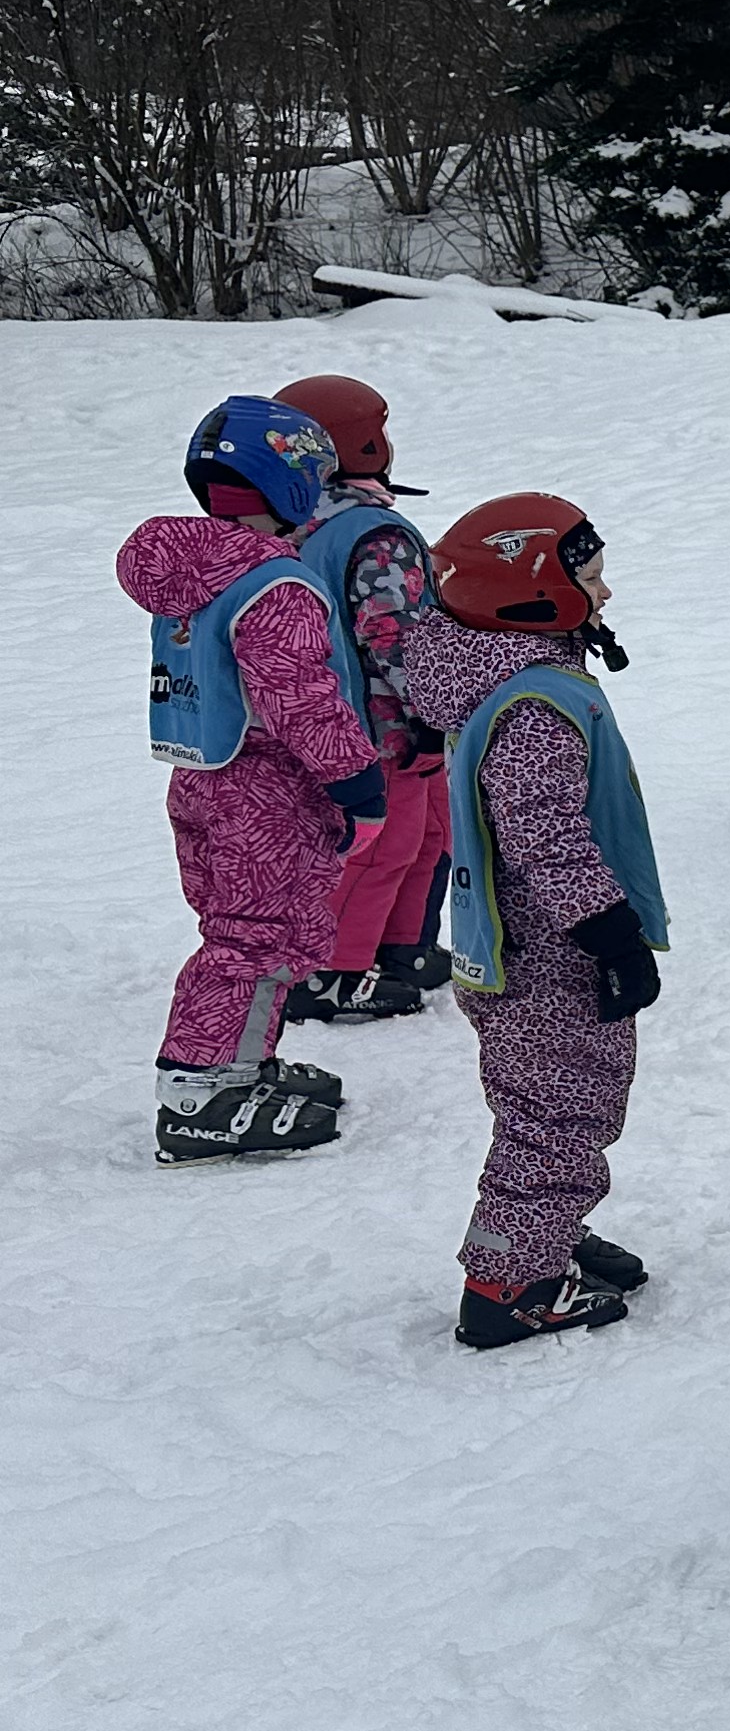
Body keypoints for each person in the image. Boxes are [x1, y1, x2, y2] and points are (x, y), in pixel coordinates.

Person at [421, 493, 667, 1346]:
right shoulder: (532, 706)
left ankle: (543, 1233)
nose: (607, 593)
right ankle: (509, 1283)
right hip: (548, 954)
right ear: (532, 592)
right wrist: (610, 935)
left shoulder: (496, 672)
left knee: (550, 1106)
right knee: (558, 1116)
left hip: (517, 944)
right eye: (591, 578)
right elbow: (546, 838)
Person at [120, 399, 382, 1162]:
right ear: (291, 486)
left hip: (202, 779)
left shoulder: (193, 574)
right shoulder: (275, 585)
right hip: (264, 793)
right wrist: (354, 778)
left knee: (246, 931)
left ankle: (242, 1063)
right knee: (255, 941)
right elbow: (300, 697)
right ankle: (202, 1095)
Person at [274, 374, 451, 1025]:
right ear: (363, 444)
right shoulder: (374, 534)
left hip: (345, 723)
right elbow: (396, 636)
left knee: (428, 835)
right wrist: (431, 710)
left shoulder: (297, 525)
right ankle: (332, 974)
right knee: (382, 849)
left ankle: (401, 947)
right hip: (383, 728)